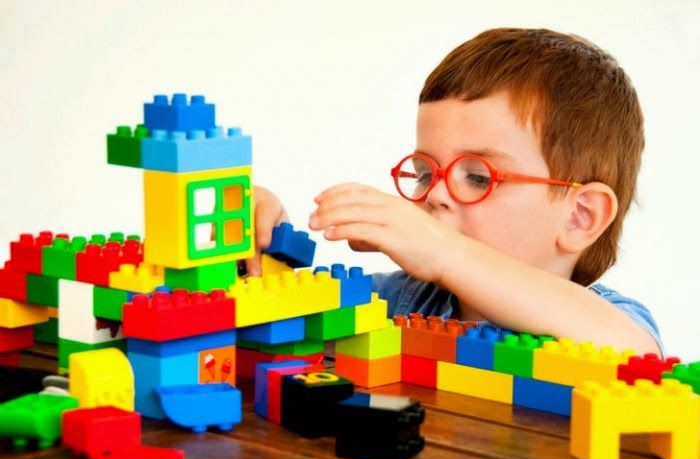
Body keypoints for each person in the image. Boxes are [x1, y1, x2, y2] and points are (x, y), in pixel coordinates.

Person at [242, 28, 662, 355]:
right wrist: (247, 253)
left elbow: (633, 353)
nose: (435, 195)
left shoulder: (612, 322)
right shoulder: (396, 301)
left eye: (477, 177)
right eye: (425, 173)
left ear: (580, 217)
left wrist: (442, 250)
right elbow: (271, 320)